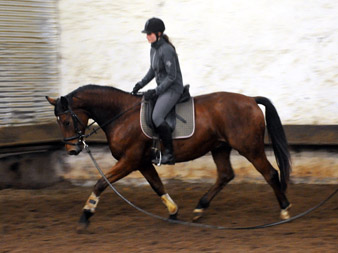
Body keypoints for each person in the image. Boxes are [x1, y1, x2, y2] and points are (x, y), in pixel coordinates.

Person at [132, 17, 184, 165]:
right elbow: (153, 70)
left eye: (150, 34)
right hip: (163, 88)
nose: (147, 36)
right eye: (146, 34)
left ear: (159, 33)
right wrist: (140, 84)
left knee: (157, 117)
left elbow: (172, 77)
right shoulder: (153, 49)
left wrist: (155, 91)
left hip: (173, 89)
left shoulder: (166, 50)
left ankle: (169, 154)